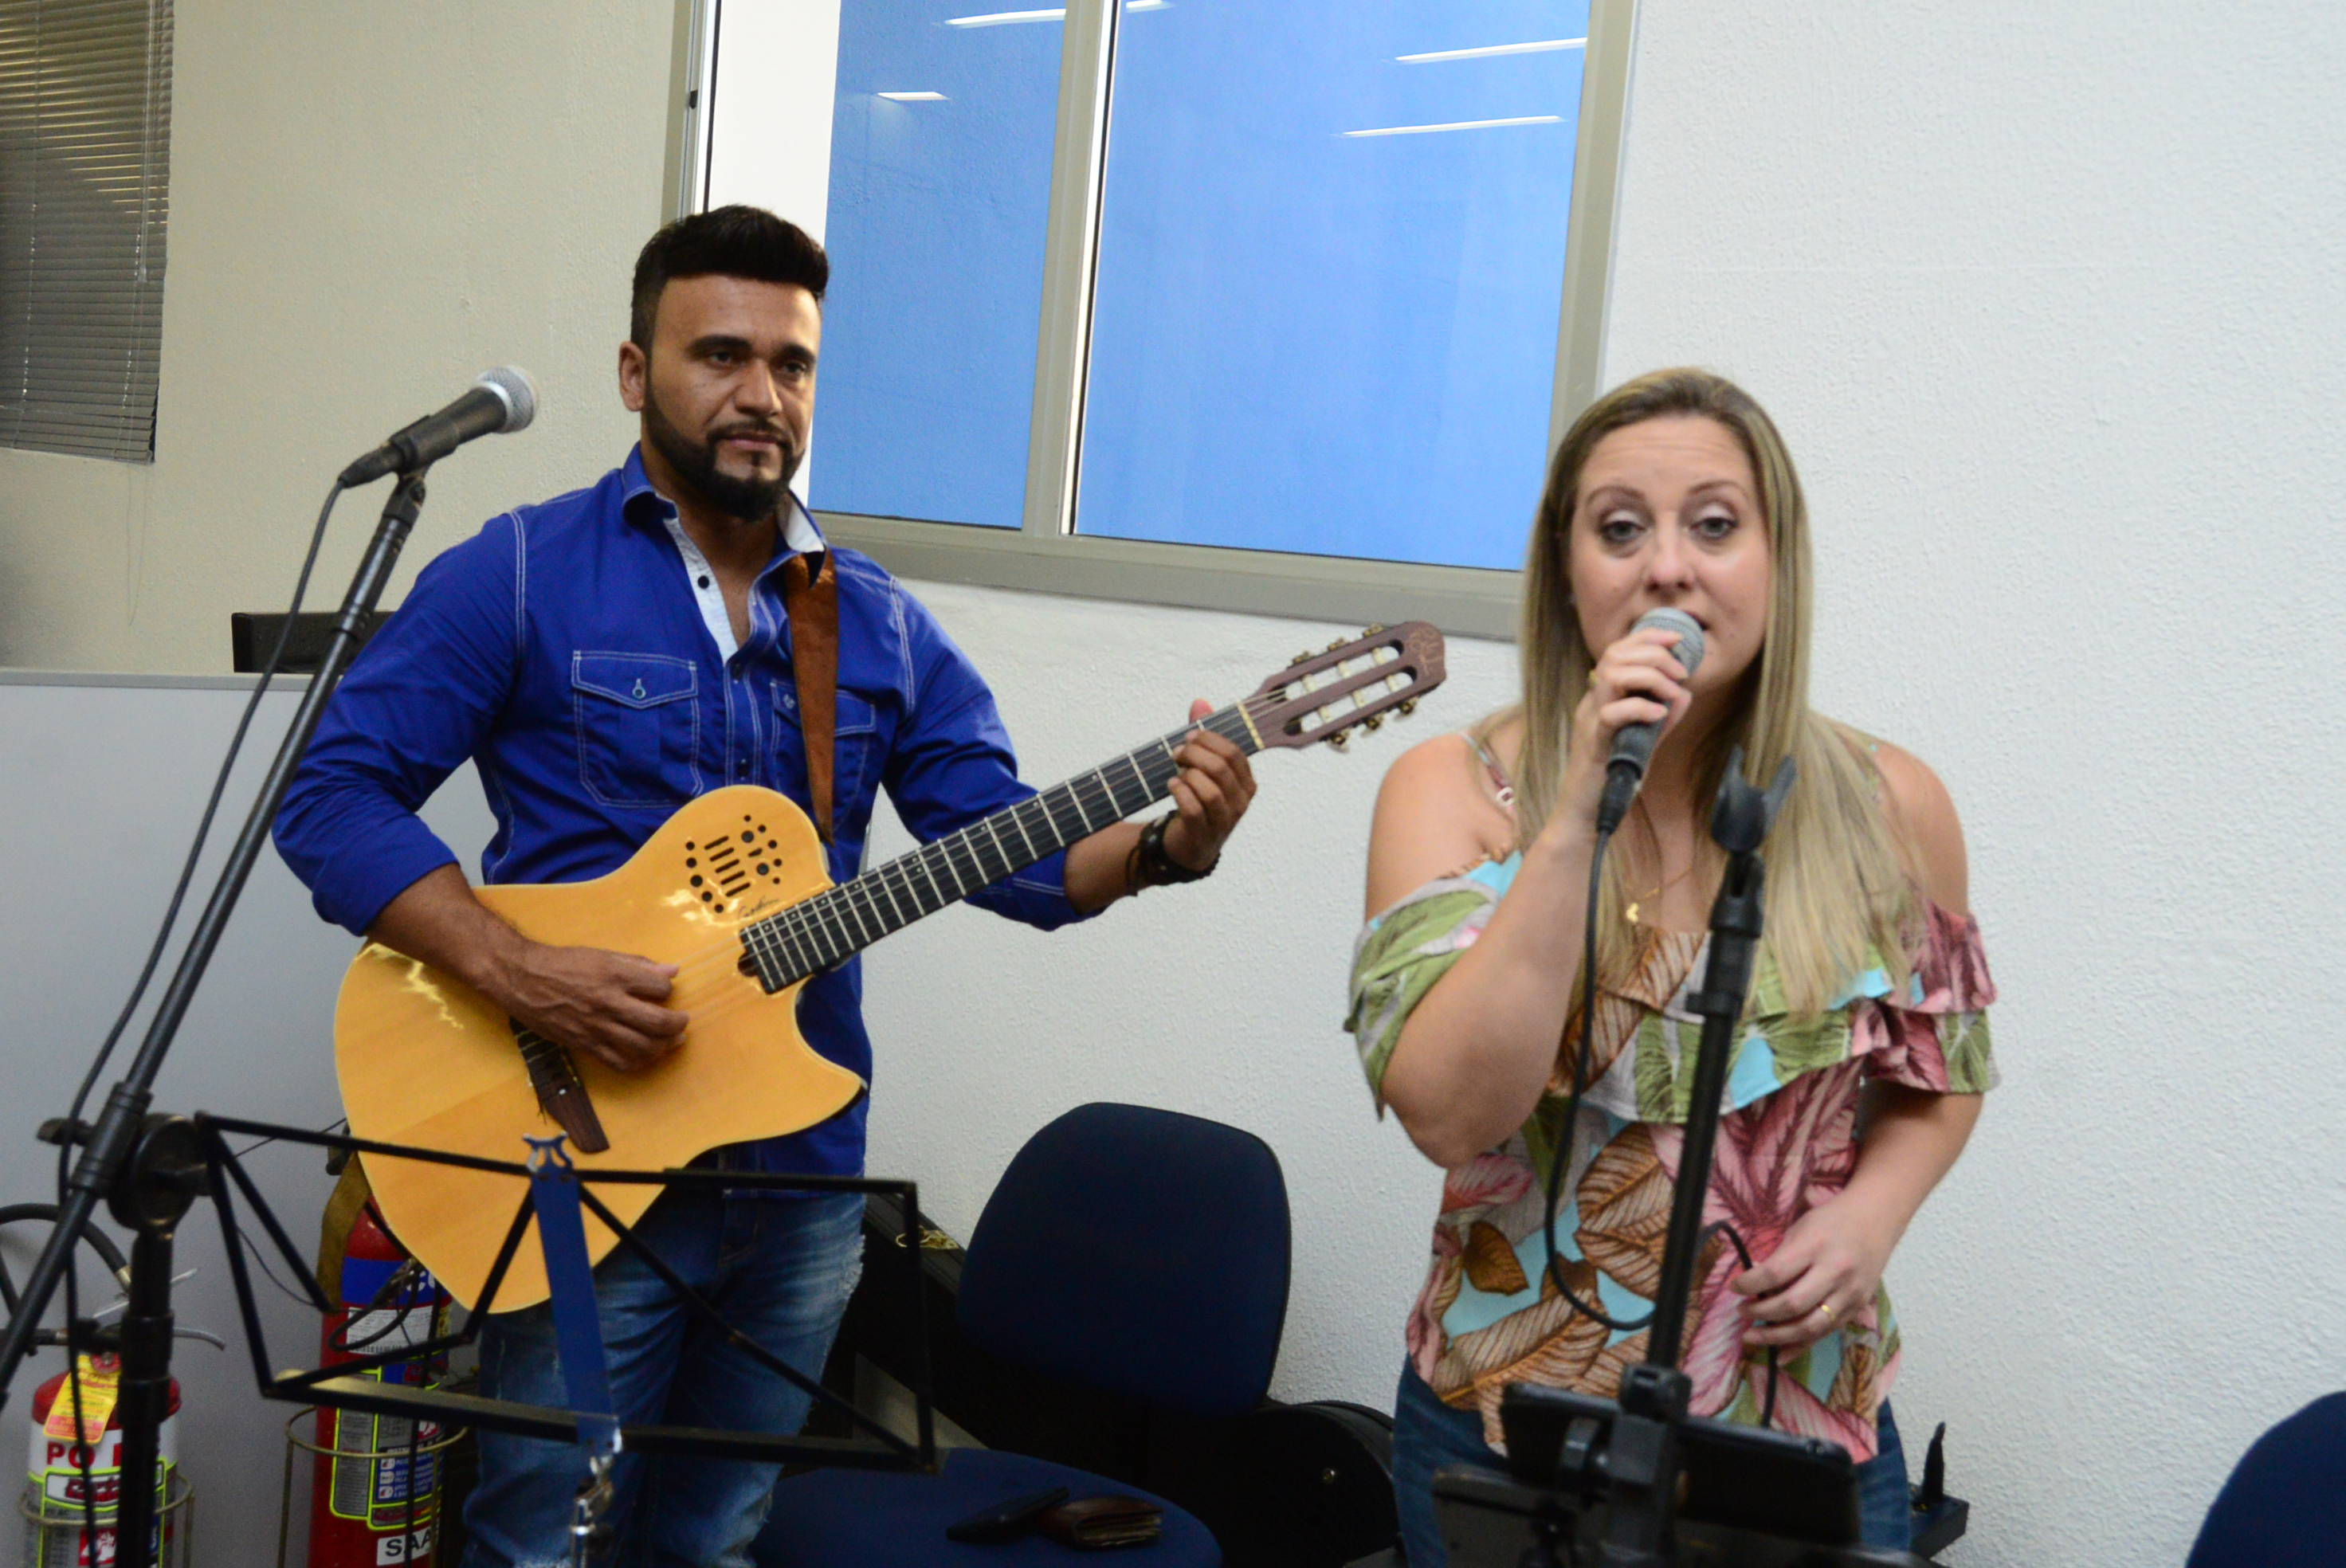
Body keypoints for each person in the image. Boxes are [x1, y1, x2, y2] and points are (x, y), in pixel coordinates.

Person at [273, 205, 1257, 1567]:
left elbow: (1014, 852)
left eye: (791, 364)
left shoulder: (876, 620)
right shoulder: (520, 572)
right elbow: (327, 796)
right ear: (636, 373)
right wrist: (520, 970)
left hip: (800, 1186)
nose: (761, 394)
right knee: (540, 1544)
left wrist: (1161, 849)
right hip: (577, 1168)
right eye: (720, 355)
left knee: (719, 1541)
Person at [1348, 368, 1995, 1560]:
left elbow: (1940, 1075)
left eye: (1714, 525)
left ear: (1777, 562)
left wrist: (1872, 1218)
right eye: (1619, 530)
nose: (1667, 569)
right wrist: (1576, 812)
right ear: (1567, 573)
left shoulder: (1891, 807)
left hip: (1796, 1431)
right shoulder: (1452, 792)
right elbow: (1451, 1113)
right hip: (1508, 1429)